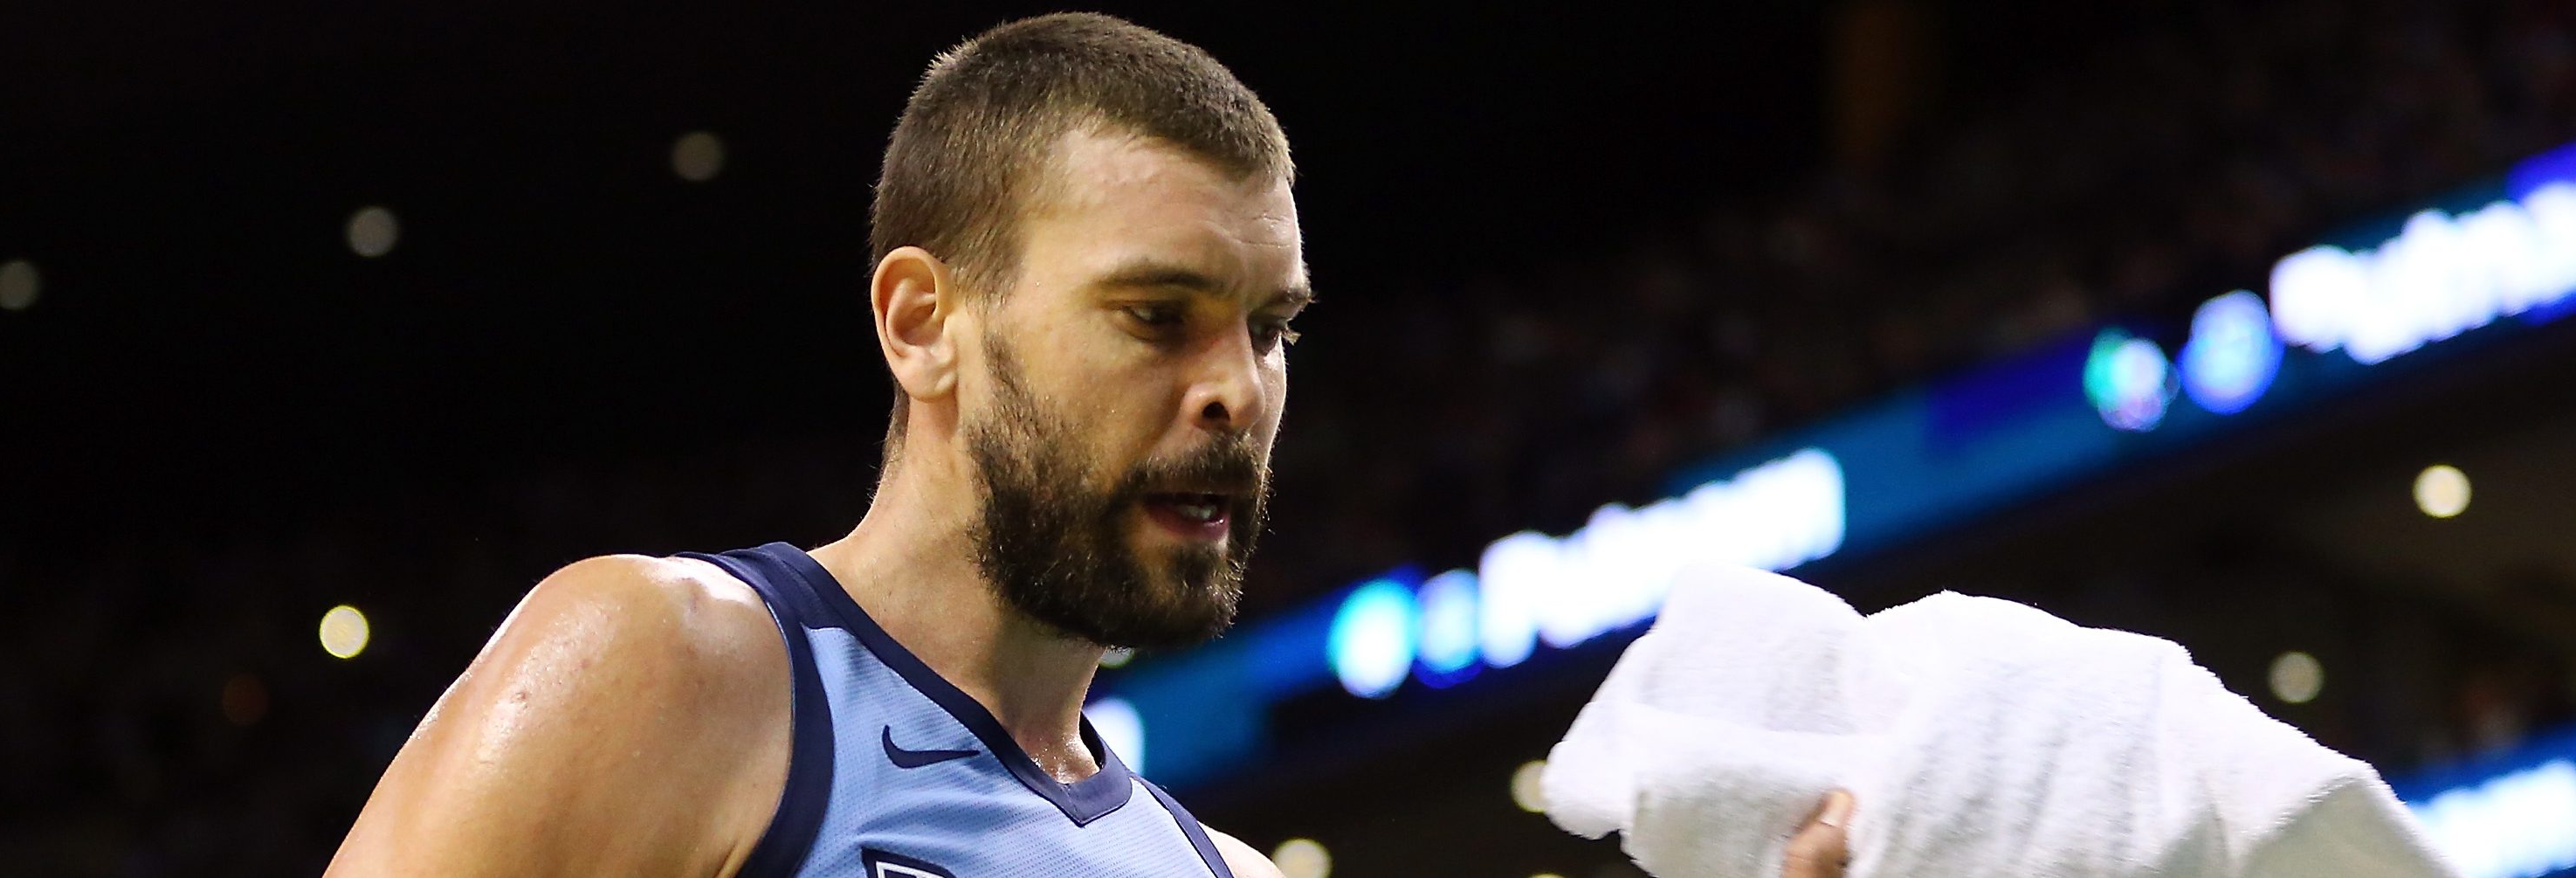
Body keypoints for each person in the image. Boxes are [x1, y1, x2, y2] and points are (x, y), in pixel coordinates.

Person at [323, 12, 1853, 877]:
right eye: (1156, 313)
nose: (1238, 391)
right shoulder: (673, 668)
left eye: (1270, 328)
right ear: (925, 323)